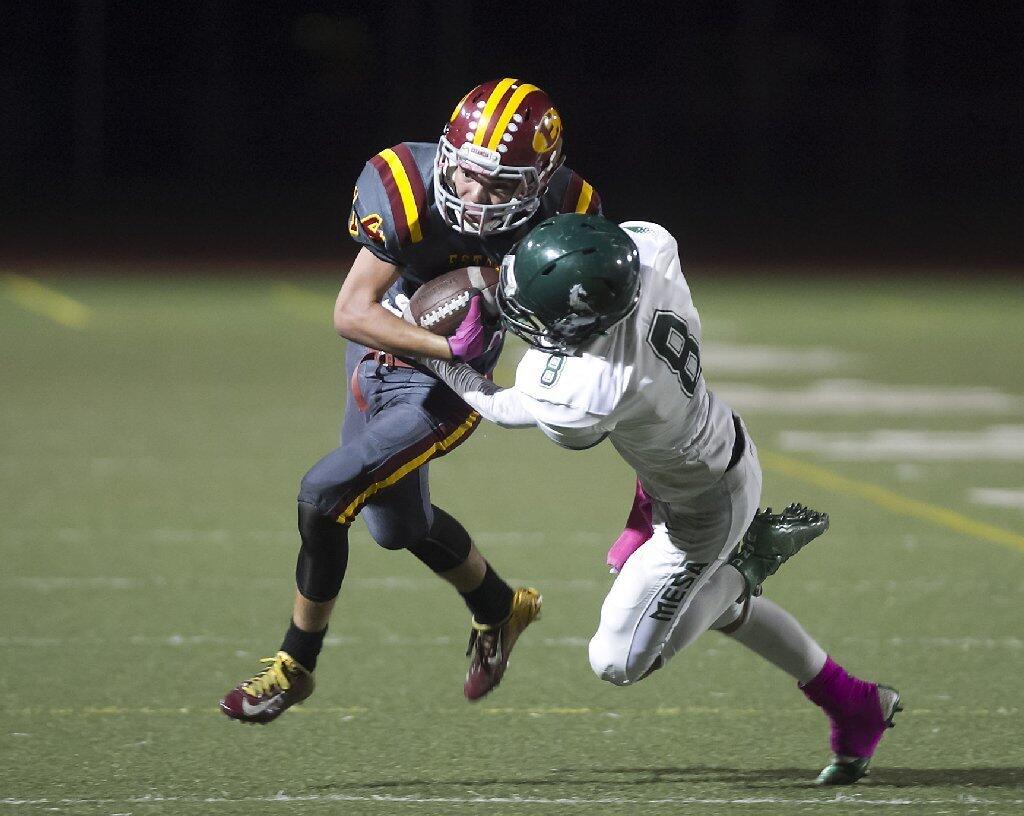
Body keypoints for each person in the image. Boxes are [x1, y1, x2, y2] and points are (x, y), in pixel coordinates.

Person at [421, 213, 902, 785]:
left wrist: (435, 354)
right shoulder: (647, 252)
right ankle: (852, 703)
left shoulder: (593, 387)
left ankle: (741, 567)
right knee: (677, 594)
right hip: (699, 459)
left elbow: (499, 404)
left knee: (617, 662)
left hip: (703, 508)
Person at [219, 79, 605, 723]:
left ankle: (295, 664)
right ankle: (500, 608)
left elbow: (580, 325)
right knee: (397, 527)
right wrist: (442, 339)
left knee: (325, 494)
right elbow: (351, 311)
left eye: (504, 185)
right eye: (470, 175)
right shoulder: (403, 184)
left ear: (540, 184)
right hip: (388, 346)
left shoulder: (571, 213)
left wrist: (503, 334)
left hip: (452, 386)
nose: (479, 197)